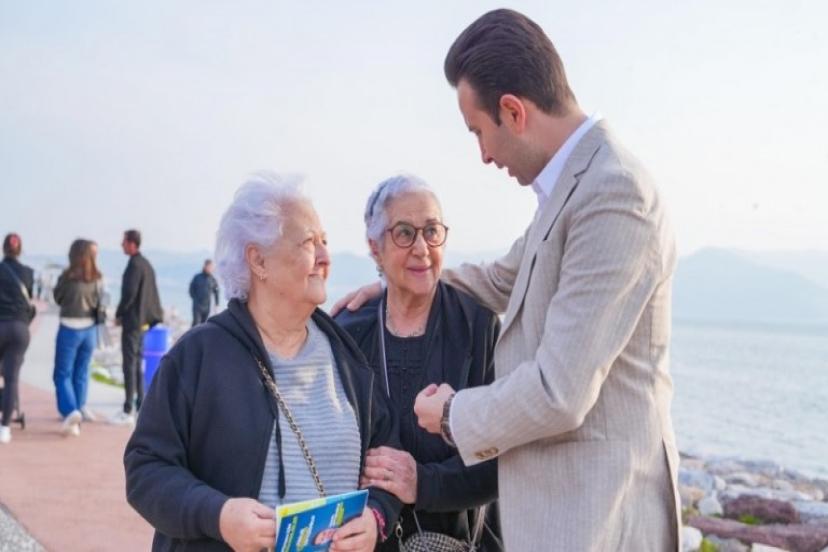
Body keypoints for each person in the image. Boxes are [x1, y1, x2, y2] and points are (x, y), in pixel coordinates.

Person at [334, 9, 680, 551]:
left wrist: (451, 413)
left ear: (513, 111)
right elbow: (500, 278)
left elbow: (560, 393)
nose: (484, 155)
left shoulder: (614, 194)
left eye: (479, 132)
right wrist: (402, 278)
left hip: (595, 517)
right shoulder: (572, 189)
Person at [124, 173, 402, 551]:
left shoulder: (346, 354)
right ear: (258, 261)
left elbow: (388, 464)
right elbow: (146, 470)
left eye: (325, 241)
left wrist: (376, 518)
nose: (324, 256)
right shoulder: (198, 356)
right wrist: (218, 515)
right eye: (308, 242)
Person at [334, 175, 501, 551]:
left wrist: (420, 483)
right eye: (405, 233)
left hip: (456, 543)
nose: (422, 248)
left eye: (432, 231)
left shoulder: (477, 325)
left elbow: (503, 464)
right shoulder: (347, 333)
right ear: (375, 248)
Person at [52, 239, 105, 435]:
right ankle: (79, 407)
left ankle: (71, 411)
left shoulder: (67, 277)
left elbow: (58, 298)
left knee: (62, 373)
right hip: (89, 330)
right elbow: (101, 301)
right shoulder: (97, 277)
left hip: (69, 328)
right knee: (81, 372)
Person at [111, 229, 163, 425]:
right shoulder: (147, 265)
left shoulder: (134, 265)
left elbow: (129, 294)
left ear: (132, 243)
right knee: (137, 364)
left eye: (123, 241)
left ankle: (128, 408)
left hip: (133, 322)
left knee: (129, 364)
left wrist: (118, 314)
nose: (121, 245)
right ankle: (140, 405)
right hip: (143, 322)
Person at [0, 233, 35, 445]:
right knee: (12, 378)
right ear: (19, 250)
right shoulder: (28, 273)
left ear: (4, 248)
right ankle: (5, 428)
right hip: (20, 329)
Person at [188, 259, 219, 326]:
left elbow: (216, 292)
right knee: (196, 323)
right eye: (209, 267)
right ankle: (193, 336)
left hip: (207, 306)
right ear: (205, 266)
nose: (211, 269)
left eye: (212, 267)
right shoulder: (197, 277)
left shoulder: (212, 279)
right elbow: (191, 289)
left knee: (204, 325)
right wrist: (194, 298)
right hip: (197, 305)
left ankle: (201, 336)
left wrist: (216, 304)